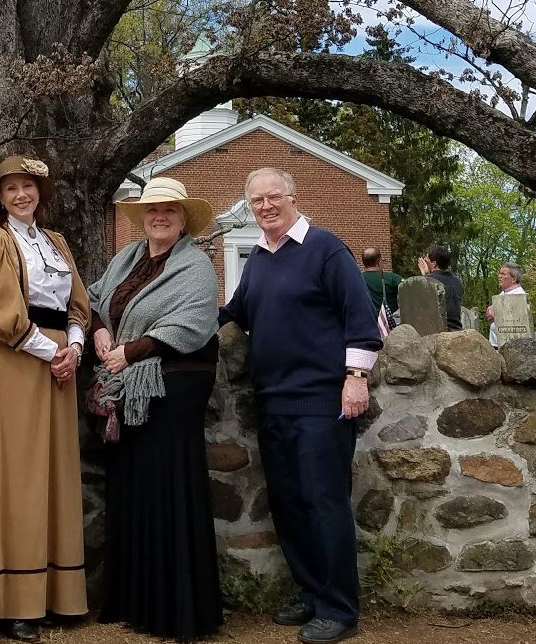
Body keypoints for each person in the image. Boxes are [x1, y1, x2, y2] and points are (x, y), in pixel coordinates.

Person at [219, 168, 381, 644]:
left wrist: (355, 379)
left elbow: (360, 317)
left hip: (320, 401)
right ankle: (312, 593)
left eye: (274, 197)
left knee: (322, 502)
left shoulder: (326, 248)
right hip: (272, 399)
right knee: (289, 505)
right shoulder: (260, 261)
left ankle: (339, 609)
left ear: (293, 197)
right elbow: (235, 313)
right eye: (256, 201)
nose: (265, 207)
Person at [0, 155, 90, 642]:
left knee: (51, 472)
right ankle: (3, 600)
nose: (21, 195)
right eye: (11, 189)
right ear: (0, 198)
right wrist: (53, 352)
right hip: (15, 361)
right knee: (13, 473)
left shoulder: (57, 243)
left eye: (28, 187)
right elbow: (2, 317)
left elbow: (78, 306)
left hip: (56, 367)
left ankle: (49, 594)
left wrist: (73, 347)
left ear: (39, 194)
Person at [88, 177, 222, 641]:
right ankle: (136, 601)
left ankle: (177, 609)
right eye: (152, 211)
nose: (159, 217)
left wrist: (132, 351)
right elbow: (96, 298)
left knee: (169, 489)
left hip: (173, 388)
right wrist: (99, 331)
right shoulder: (127, 259)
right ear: (141, 219)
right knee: (132, 488)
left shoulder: (196, 266)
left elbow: (194, 323)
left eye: (169, 210)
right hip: (130, 390)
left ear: (184, 219)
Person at [417, 245, 464, 331]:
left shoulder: (428, 281)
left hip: (438, 331)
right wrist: (427, 276)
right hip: (456, 328)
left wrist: (425, 277)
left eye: (426, 260)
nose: (425, 261)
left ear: (434, 263)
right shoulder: (458, 281)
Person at [487, 262, 527, 347]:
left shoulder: (518, 295)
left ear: (513, 279)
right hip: (497, 341)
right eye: (499, 273)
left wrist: (495, 312)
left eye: (503, 274)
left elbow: (515, 320)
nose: (499, 276)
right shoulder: (504, 293)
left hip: (508, 345)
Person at [360, 248, 401, 328]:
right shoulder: (391, 278)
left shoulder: (357, 279)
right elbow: (409, 288)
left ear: (363, 263)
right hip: (388, 326)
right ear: (380, 262)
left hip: (366, 325)